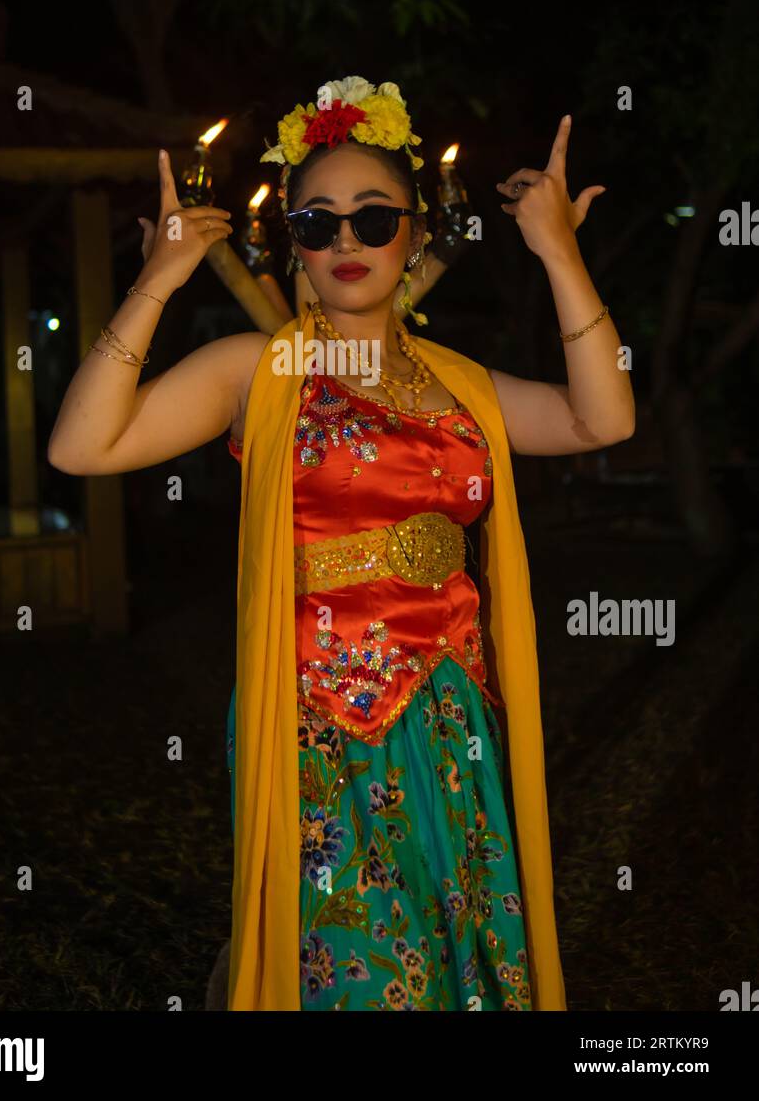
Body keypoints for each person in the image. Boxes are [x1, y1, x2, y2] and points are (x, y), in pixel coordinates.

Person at [48, 75, 634, 1012]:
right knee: (354, 971)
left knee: (455, 960)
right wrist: (158, 278)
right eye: (317, 225)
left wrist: (560, 255)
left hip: (451, 724)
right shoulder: (262, 370)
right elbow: (82, 446)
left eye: (374, 218)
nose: (347, 242)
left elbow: (601, 419)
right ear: (294, 244)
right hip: (321, 723)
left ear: (416, 233)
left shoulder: (462, 385)